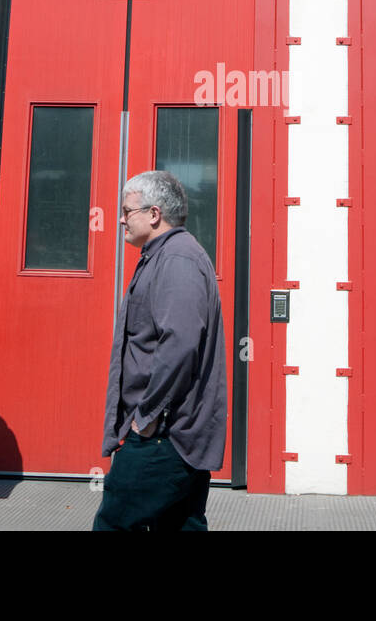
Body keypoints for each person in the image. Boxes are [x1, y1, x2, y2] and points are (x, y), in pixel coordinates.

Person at [93, 170, 227, 531]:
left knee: (115, 522)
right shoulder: (166, 255)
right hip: (172, 434)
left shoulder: (176, 260)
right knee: (180, 523)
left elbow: (179, 345)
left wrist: (146, 418)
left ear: (154, 214)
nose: (120, 218)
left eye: (127, 210)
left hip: (163, 436)